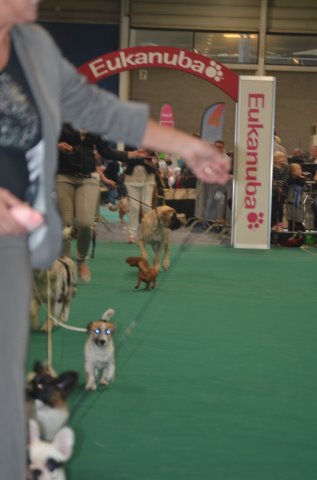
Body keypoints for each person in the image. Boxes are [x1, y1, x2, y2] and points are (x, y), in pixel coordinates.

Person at [0, 2, 230, 478]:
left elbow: (97, 107)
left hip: (14, 241)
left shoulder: (33, 46)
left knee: (5, 392)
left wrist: (184, 144)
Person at [57, 123, 144, 282]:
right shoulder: (62, 121)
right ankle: (65, 264)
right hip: (64, 177)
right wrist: (57, 146)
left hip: (87, 178)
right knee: (65, 224)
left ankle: (82, 260)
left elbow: (106, 151)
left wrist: (133, 154)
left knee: (85, 224)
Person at [286, 163, 307, 231]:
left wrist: (301, 178)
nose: (300, 171)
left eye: (300, 169)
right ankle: (290, 233)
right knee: (290, 219)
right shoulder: (289, 179)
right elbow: (290, 181)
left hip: (298, 203)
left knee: (299, 219)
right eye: (297, 170)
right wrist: (298, 178)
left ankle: (300, 232)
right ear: (292, 172)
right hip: (290, 202)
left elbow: (304, 184)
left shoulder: (302, 180)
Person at [271, 150, 288, 231]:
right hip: (274, 191)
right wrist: (276, 185)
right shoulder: (272, 167)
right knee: (274, 207)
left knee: (280, 208)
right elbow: (272, 178)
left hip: (282, 191)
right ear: (276, 159)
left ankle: (280, 223)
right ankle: (273, 224)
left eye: (283, 157)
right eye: (281, 157)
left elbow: (286, 178)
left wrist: (281, 186)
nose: (283, 159)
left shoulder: (285, 168)